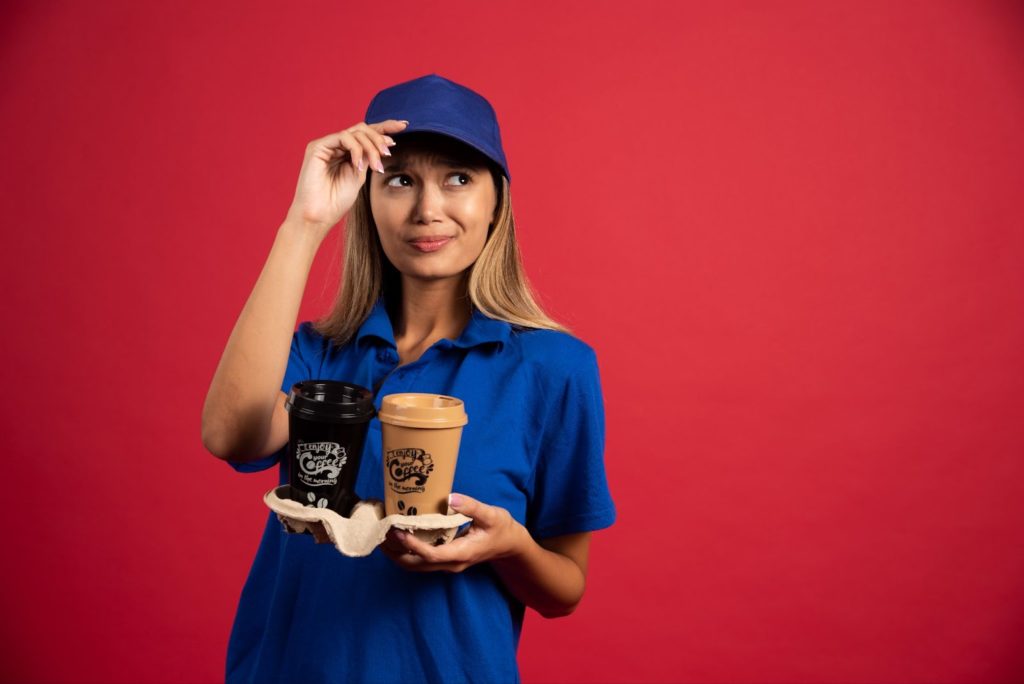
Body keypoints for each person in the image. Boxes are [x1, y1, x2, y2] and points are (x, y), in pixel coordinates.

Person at [201, 73, 616, 684]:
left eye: (458, 178)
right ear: (366, 200)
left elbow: (564, 589)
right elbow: (229, 436)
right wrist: (304, 224)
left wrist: (509, 547)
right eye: (399, 180)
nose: (428, 210)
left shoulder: (556, 370)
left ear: (496, 199)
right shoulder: (319, 355)